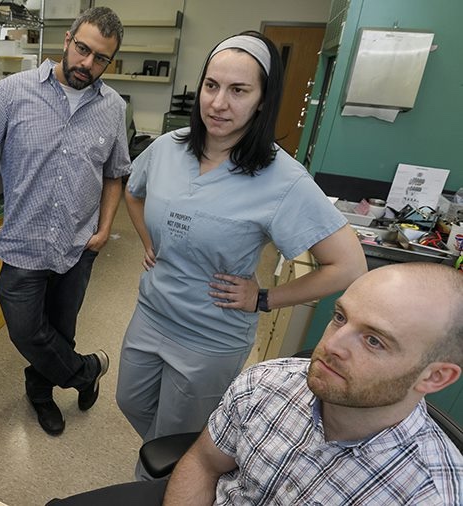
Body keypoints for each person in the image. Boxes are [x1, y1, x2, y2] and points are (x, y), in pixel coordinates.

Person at [116, 30, 367, 476]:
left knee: (169, 444)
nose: (218, 103)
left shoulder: (281, 178)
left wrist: (264, 298)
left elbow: (349, 265)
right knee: (130, 401)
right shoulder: (168, 149)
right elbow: (133, 193)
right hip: (151, 311)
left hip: (209, 336)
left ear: (261, 100)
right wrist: (149, 240)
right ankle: (183, 463)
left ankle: (162, 485)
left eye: (238, 91)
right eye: (212, 86)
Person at [163, 263, 463, 505]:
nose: (331, 344)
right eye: (340, 317)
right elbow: (205, 463)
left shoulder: (429, 495)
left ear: (435, 377)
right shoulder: (266, 382)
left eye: (374, 341)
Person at [0, 6, 131, 436]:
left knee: (61, 330)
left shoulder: (113, 107)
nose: (87, 64)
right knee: (26, 331)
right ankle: (87, 371)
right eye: (83, 50)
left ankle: (40, 396)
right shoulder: (12, 91)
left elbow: (116, 173)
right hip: (23, 244)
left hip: (78, 246)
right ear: (67, 39)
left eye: (101, 59)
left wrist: (102, 230)